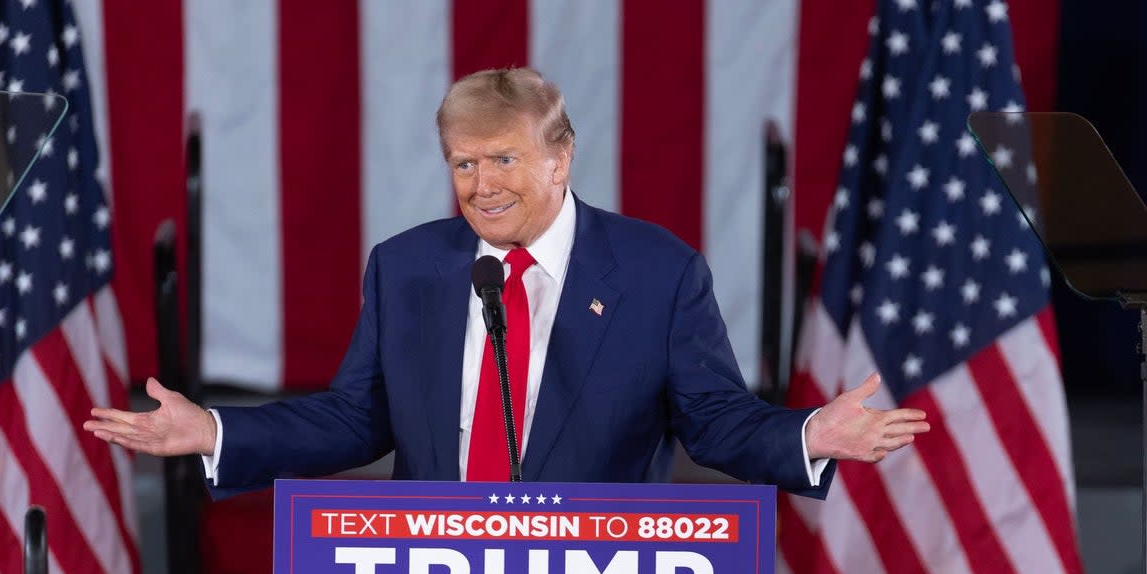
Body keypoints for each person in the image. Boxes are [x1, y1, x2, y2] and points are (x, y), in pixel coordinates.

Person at [85, 68, 928, 496]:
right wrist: (215, 435)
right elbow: (354, 417)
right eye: (463, 162)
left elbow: (715, 423)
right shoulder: (409, 268)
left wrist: (810, 435)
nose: (481, 184)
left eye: (504, 159)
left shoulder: (656, 273)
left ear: (560, 159)